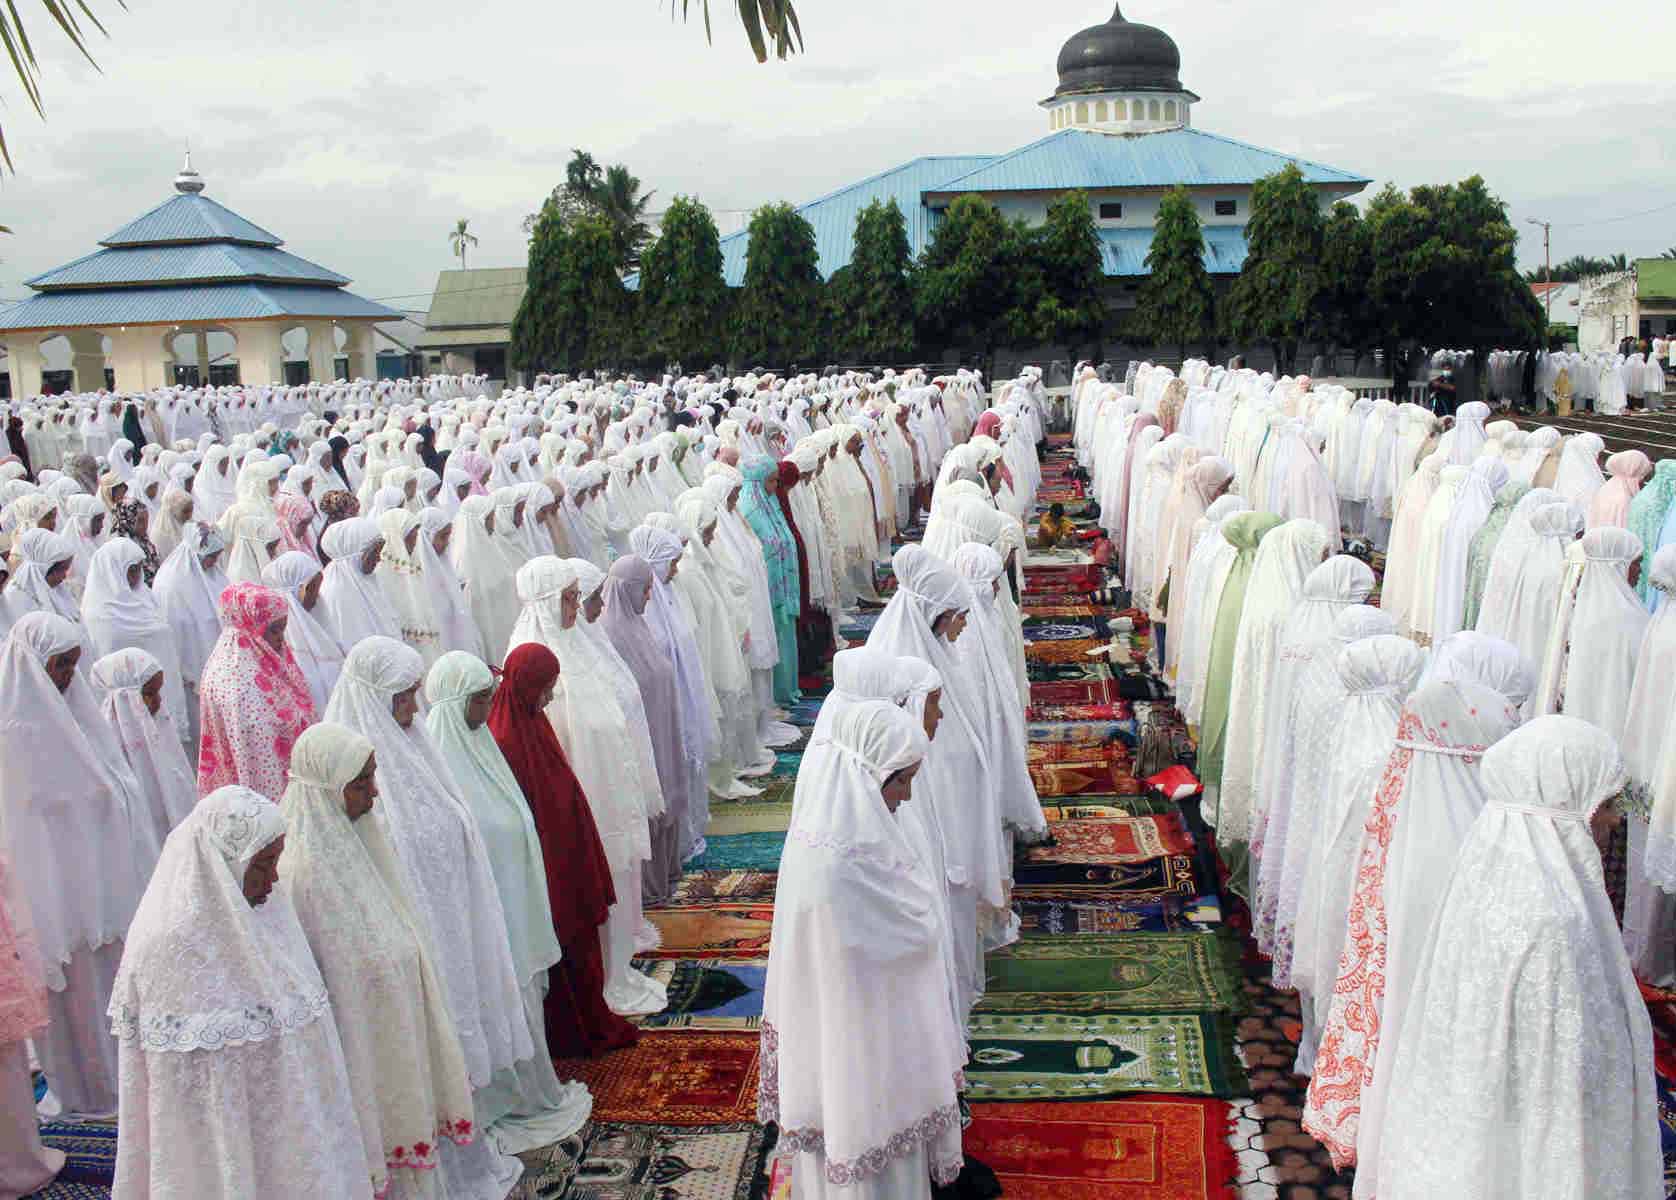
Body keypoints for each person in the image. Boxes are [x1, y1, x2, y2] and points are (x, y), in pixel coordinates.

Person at [1367, 718, 1662, 1200]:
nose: (1612, 820)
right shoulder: (1552, 920)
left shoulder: (1486, 870)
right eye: (1605, 805)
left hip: (1473, 1116)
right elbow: (1561, 1089)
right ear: (1565, 807)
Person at [108, 786, 374, 1199]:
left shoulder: (268, 915)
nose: (273, 879)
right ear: (225, 864)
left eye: (274, 863)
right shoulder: (166, 944)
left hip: (282, 1129)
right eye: (263, 865)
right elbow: (181, 1096)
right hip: (215, 1141)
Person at [761, 700, 965, 1200]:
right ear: (866, 775)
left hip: (867, 1030)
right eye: (901, 781)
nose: (907, 794)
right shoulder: (838, 864)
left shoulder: (843, 839)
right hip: (858, 1039)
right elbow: (903, 937)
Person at [280, 722, 479, 1200]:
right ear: (328, 788)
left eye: (373, 777)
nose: (373, 793)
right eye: (361, 782)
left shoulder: (360, 839)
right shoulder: (299, 873)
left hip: (391, 1027)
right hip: (356, 1048)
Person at [424, 652, 595, 1149]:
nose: (487, 708)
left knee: (524, 1000)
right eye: (479, 699)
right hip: (486, 920)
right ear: (457, 703)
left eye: (488, 697)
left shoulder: (481, 748)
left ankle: (530, 1084)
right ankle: (501, 1097)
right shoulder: (443, 760)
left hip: (513, 911)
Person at [0, 612, 143, 1119]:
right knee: (73, 996)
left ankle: (117, 1083)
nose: (66, 677)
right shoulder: (14, 729)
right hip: (53, 893)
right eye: (59, 666)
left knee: (106, 985)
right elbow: (23, 824)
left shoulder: (79, 715)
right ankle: (81, 1092)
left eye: (71, 666)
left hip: (97, 882)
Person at [507, 558, 666, 1014]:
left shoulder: (575, 644)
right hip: (580, 793)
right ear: (547, 602)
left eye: (578, 595)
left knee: (614, 880)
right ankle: (599, 978)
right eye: (570, 598)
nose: (578, 606)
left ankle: (617, 965)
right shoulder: (534, 653)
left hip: (604, 786)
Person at [488, 641, 639, 1057]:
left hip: (565, 852)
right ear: (525, 685)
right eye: (546, 687)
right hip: (547, 863)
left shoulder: (532, 720)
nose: (550, 697)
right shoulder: (505, 736)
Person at [196, 581, 316, 802]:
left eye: (283, 628)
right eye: (274, 629)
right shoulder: (237, 683)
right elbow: (257, 761)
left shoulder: (263, 654)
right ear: (250, 626)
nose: (281, 637)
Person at [90, 647, 196, 848]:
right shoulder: (106, 747)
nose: (158, 701)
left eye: (158, 692)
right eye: (149, 694)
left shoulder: (159, 729)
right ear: (126, 698)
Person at [262, 550, 347, 713]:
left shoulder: (319, 619)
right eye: (312, 587)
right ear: (297, 591)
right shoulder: (280, 636)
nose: (317, 594)